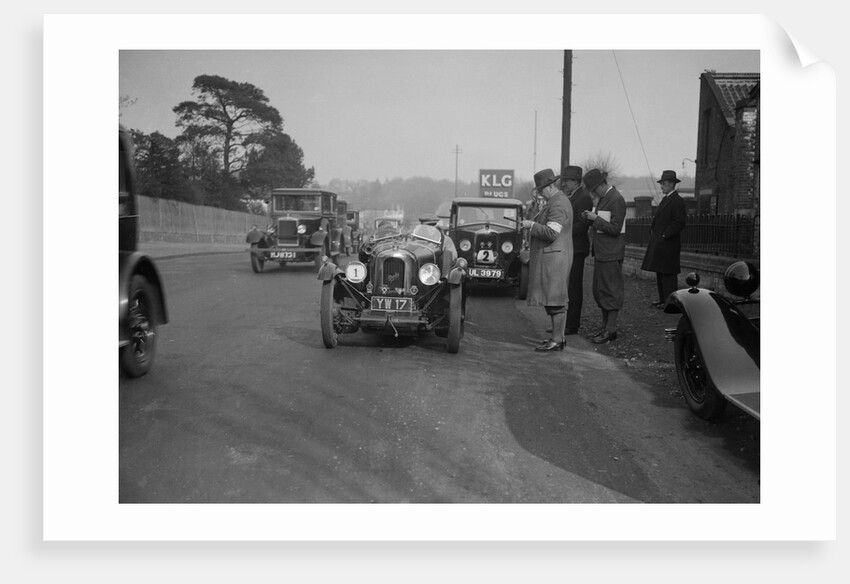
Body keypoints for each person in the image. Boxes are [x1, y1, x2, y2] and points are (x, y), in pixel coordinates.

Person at [520, 168, 573, 352]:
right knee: (554, 299)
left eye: (542, 189)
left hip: (554, 259)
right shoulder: (556, 202)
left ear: (550, 186)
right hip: (554, 257)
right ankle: (558, 338)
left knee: (556, 300)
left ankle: (557, 340)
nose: (540, 192)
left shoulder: (558, 204)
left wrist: (531, 225)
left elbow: (551, 233)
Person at [581, 168, 626, 344]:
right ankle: (605, 327)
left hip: (611, 253)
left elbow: (615, 229)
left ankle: (611, 329)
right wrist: (589, 218)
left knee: (611, 291)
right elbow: (603, 223)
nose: (593, 192)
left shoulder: (616, 199)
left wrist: (595, 219)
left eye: (594, 188)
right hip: (603, 252)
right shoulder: (605, 198)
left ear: (602, 184)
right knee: (601, 291)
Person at [641, 170, 687, 308]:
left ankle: (671, 302)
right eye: (661, 183)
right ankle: (663, 300)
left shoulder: (677, 201)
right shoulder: (666, 199)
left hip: (669, 244)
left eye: (664, 183)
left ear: (672, 184)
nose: (662, 186)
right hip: (661, 243)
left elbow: (679, 222)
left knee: (668, 274)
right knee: (660, 272)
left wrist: (665, 235)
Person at [560, 165, 594, 335]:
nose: (564, 184)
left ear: (575, 181)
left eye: (567, 181)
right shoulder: (572, 196)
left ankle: (572, 325)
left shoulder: (584, 198)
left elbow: (582, 226)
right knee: (566, 287)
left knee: (574, 288)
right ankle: (564, 323)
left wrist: (562, 230)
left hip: (577, 249)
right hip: (569, 248)